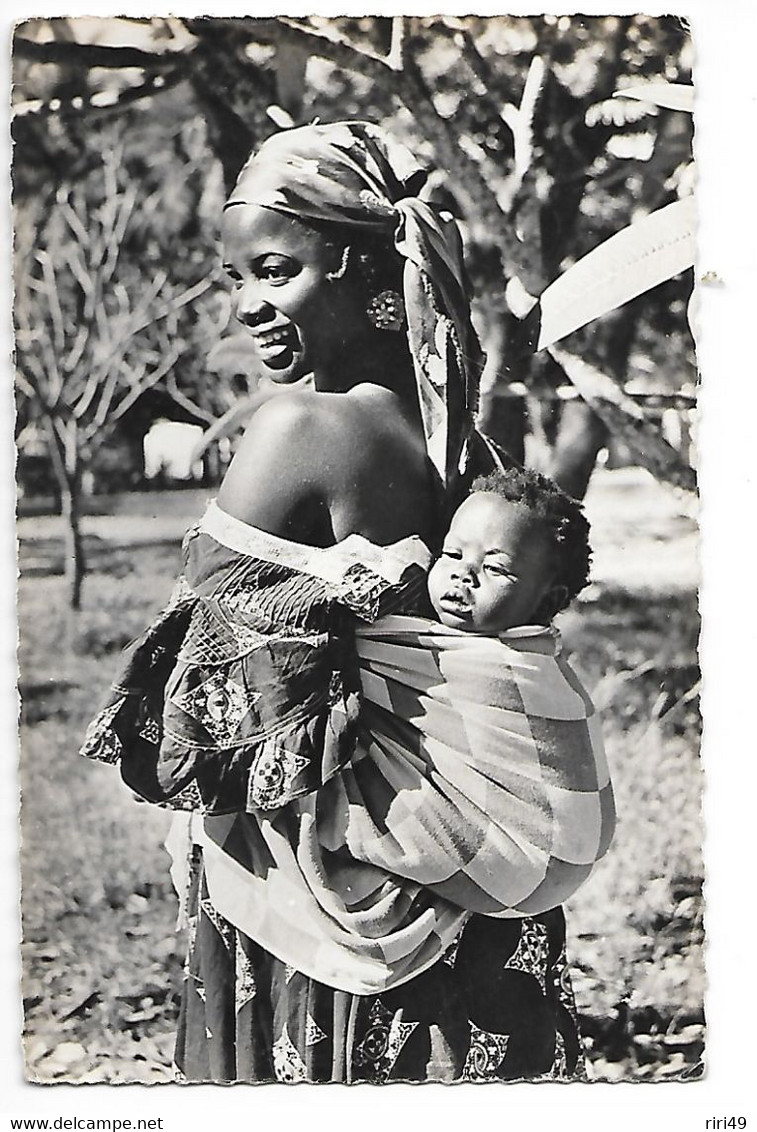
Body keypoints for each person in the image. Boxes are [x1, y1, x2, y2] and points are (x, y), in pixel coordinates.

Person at [82, 120, 593, 1084]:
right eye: (238, 279)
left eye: (275, 272)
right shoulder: (460, 442)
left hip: (326, 888)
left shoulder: (300, 428)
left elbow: (202, 709)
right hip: (451, 872)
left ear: (360, 267)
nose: (248, 307)